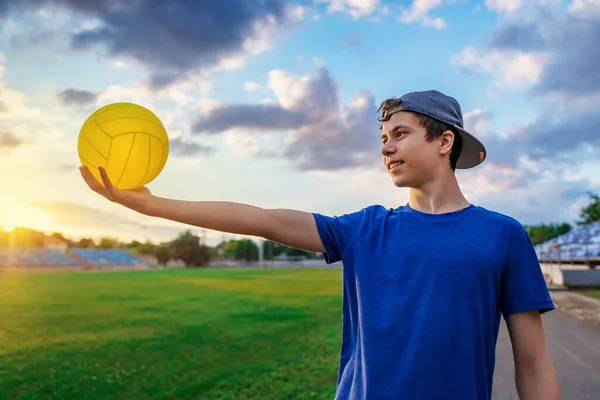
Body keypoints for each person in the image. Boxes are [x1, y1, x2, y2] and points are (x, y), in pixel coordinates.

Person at [79, 89, 561, 400]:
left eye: (400, 134)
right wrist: (152, 205)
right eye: (383, 137)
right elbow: (261, 220)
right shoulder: (366, 229)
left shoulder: (503, 235)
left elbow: (534, 362)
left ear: (444, 141)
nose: (385, 148)